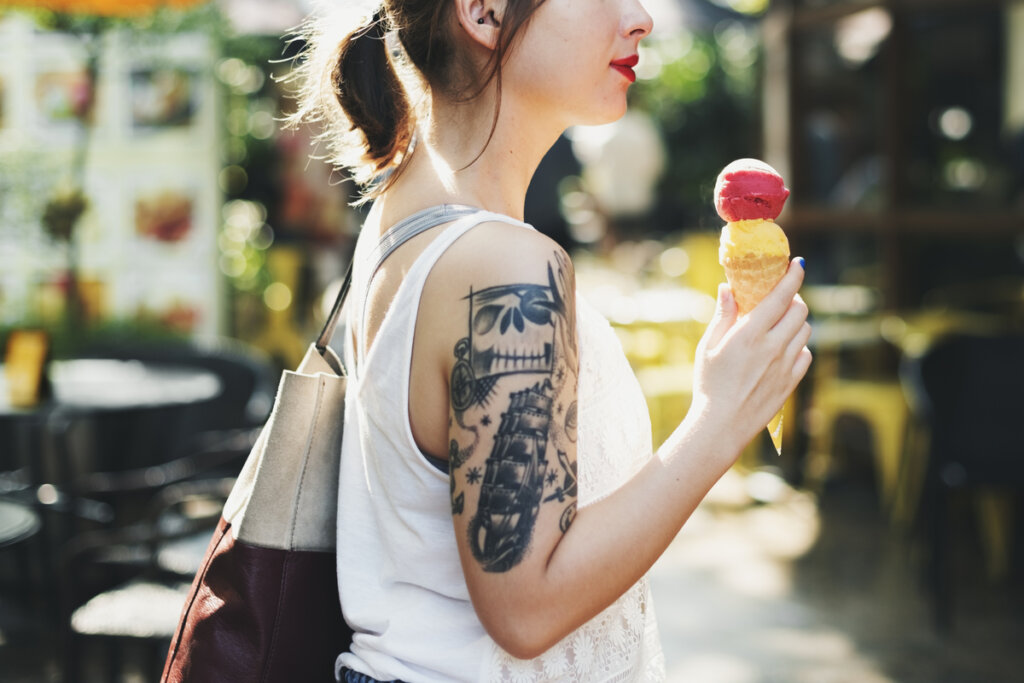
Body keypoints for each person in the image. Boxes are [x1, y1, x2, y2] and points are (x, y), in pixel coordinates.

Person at [286, 1, 811, 681]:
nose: (642, 17)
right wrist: (719, 419)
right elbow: (525, 606)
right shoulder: (506, 266)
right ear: (483, 11)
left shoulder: (402, 215)